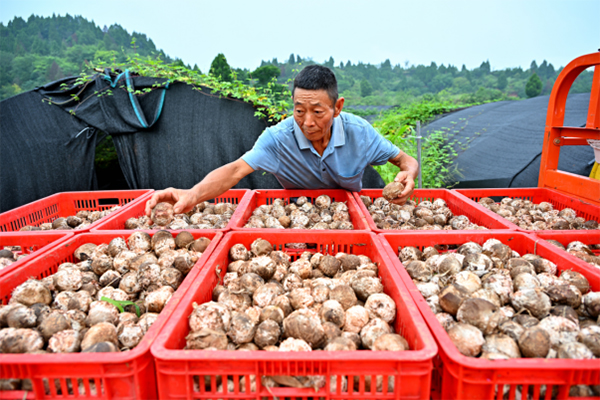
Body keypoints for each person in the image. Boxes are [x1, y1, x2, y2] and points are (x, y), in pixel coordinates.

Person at [145, 65, 418, 216]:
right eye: (299, 111)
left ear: (337, 108)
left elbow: (405, 160)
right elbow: (236, 170)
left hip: (352, 215)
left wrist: (408, 173)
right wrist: (192, 194)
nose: (307, 122)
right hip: (294, 216)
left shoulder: (360, 132)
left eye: (317, 112)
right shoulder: (278, 139)